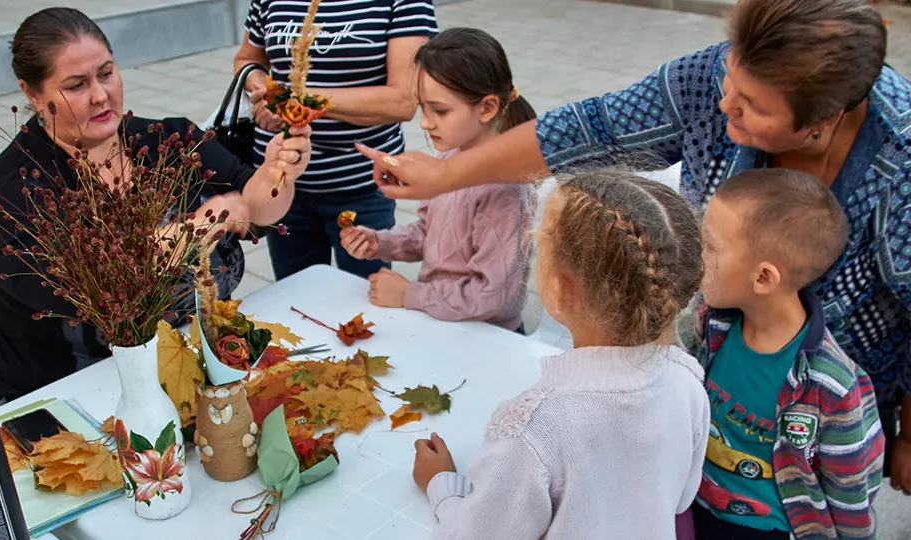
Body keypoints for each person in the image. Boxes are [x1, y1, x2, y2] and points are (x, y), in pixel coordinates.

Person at [360, 0, 911, 495]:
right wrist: (445, 177)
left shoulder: (900, 163)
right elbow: (585, 131)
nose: (722, 105)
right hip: (710, 382)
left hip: (818, 421)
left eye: (749, 106)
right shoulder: (711, 79)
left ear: (822, 122)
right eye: (729, 80)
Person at [0, 7, 311, 402]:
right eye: (77, 85)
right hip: (66, 393)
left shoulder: (165, 141)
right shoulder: (16, 195)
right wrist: (193, 230)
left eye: (107, 73)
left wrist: (278, 172)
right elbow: (102, 287)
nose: (100, 95)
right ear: (32, 94)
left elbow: (256, 207)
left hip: (192, 362)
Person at [411, 170, 710, 538]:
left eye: (540, 245)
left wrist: (442, 487)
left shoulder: (533, 430)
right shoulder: (687, 380)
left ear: (561, 288)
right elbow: (679, 499)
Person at [685, 169, 885, 539]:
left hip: (769, 530)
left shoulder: (833, 386)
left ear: (763, 278)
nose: (696, 254)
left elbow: (851, 488)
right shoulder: (711, 326)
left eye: (709, 246)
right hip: (696, 506)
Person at [338, 28, 535, 332]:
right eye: (423, 108)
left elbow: (494, 296)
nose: (426, 122)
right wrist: (381, 242)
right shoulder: (447, 160)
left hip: (487, 338)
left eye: (440, 111)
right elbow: (429, 233)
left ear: (487, 107)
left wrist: (409, 294)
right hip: (441, 322)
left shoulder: (506, 189)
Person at [232, 0, 437, 281]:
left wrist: (299, 100)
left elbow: (402, 100)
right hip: (281, 182)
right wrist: (265, 91)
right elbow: (248, 60)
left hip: (362, 183)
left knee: (364, 303)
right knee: (297, 298)